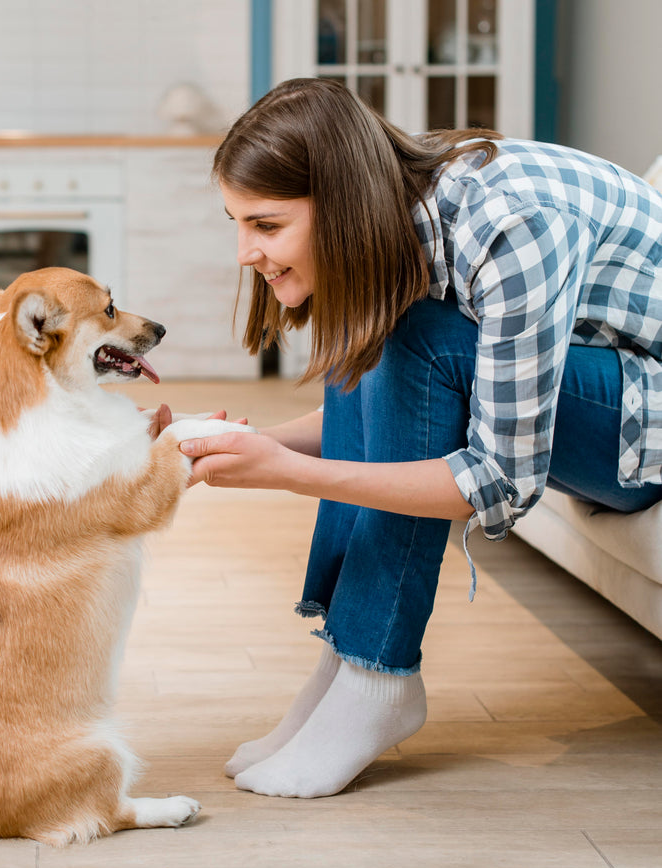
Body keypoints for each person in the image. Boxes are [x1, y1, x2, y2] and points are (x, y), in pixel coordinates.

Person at [164, 77, 662, 800]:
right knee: (376, 328)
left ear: (339, 204)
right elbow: (393, 411)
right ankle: (346, 663)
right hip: (612, 400)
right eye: (236, 224)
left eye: (266, 226)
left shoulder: (509, 224)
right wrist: (244, 447)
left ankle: (376, 675)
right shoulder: (401, 207)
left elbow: (497, 481)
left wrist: (287, 472)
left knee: (410, 333)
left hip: (650, 423)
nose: (246, 252)